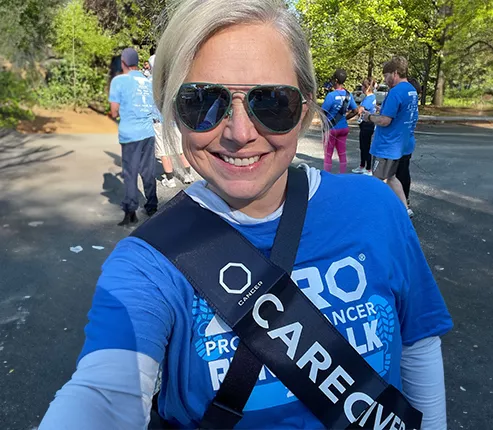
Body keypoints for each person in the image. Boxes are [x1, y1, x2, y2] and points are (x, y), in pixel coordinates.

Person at [39, 1, 452, 429]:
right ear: (173, 111)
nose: (240, 133)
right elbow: (103, 395)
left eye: (272, 103)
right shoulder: (148, 264)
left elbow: (418, 343)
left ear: (306, 108)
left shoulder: (375, 209)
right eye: (203, 103)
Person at [108, 47, 158, 226]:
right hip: (148, 133)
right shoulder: (148, 81)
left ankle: (131, 211)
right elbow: (154, 109)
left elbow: (114, 112)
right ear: (137, 62)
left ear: (123, 63)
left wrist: (119, 111)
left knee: (130, 173)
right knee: (148, 171)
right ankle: (152, 205)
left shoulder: (119, 81)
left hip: (130, 134)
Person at [364, 56, 419, 210]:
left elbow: (385, 121)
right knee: (392, 177)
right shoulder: (411, 90)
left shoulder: (395, 92)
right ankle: (404, 208)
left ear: (395, 73)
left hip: (386, 145)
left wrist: (369, 117)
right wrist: (382, 112)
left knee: (377, 179)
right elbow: (405, 114)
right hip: (401, 144)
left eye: (386, 75)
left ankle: (375, 210)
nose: (385, 79)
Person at [148, 54, 195, 187]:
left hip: (158, 120)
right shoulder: (171, 81)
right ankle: (188, 175)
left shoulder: (149, 82)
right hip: (173, 119)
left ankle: (170, 180)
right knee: (180, 149)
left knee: (164, 151)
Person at [321, 68, 358, 173]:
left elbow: (323, 112)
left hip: (331, 128)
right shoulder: (348, 95)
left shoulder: (331, 95)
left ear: (336, 80)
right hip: (343, 127)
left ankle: (327, 175)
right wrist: (345, 118)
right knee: (342, 153)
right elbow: (355, 110)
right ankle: (343, 175)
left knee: (328, 154)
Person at [397, 77, 422, 217]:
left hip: (401, 142)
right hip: (409, 141)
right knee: (404, 171)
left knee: (397, 174)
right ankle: (405, 198)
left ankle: (402, 202)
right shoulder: (413, 106)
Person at [352, 77, 377, 176]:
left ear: (366, 88)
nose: (361, 87)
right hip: (364, 123)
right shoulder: (370, 97)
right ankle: (362, 165)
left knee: (366, 146)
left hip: (367, 124)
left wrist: (353, 107)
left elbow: (360, 109)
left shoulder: (369, 98)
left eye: (363, 86)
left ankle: (368, 168)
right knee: (362, 146)